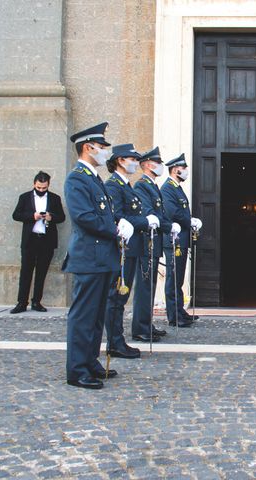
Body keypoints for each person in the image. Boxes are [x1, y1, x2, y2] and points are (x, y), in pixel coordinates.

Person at [63, 122, 134, 389]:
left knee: (95, 317)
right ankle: (77, 370)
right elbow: (84, 217)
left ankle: (90, 362)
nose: (105, 151)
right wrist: (115, 228)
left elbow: (105, 213)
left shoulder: (94, 178)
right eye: (102, 147)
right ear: (87, 147)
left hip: (103, 258)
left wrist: (119, 221)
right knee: (83, 317)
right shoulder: (77, 178)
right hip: (89, 258)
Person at [104, 144, 154, 360]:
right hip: (122, 248)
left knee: (121, 299)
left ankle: (118, 340)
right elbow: (117, 216)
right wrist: (145, 221)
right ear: (120, 161)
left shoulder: (127, 185)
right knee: (116, 298)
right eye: (132, 159)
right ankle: (115, 342)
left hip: (131, 249)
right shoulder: (114, 185)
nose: (135, 162)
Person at [131, 147, 180, 343]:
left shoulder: (152, 186)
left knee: (149, 287)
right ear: (148, 165)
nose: (161, 166)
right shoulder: (142, 186)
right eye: (158, 163)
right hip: (145, 243)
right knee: (144, 287)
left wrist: (168, 226)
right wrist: (169, 226)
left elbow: (159, 215)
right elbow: (150, 213)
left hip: (153, 242)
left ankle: (147, 324)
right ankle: (140, 328)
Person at [11, 171, 66, 313]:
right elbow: (16, 215)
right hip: (30, 240)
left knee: (41, 272)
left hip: (46, 241)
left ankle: (37, 302)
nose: (41, 190)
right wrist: (32, 216)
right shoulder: (24, 197)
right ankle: (22, 303)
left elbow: (62, 217)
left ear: (48, 185)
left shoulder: (55, 198)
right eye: (39, 187)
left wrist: (50, 217)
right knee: (26, 272)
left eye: (44, 188)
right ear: (34, 184)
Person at [161, 153, 202, 328]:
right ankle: (174, 315)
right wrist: (189, 221)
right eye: (183, 168)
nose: (186, 171)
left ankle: (180, 311)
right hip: (173, 240)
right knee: (173, 278)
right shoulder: (167, 188)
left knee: (178, 279)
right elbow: (173, 213)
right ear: (175, 169)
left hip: (181, 240)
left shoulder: (176, 188)